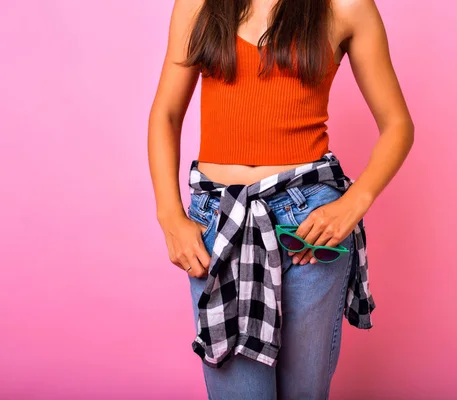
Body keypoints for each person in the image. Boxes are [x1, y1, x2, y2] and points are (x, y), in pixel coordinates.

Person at [148, 0, 414, 398]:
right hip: (223, 222)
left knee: (304, 392)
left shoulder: (346, 7)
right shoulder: (198, 5)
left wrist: (351, 206)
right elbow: (166, 113)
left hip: (308, 223)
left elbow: (397, 124)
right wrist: (170, 216)